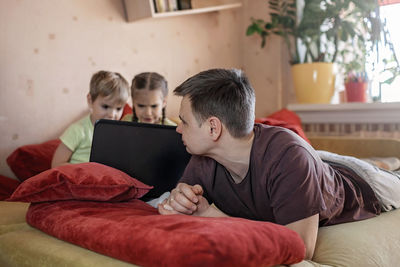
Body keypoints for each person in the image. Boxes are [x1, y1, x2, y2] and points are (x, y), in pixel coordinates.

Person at [158, 68, 400, 260]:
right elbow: (174, 205)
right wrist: (179, 199)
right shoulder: (204, 157)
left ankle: (388, 165)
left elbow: (301, 248)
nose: (178, 128)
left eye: (184, 121)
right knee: (316, 158)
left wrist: (211, 215)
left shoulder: (289, 158)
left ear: (213, 127)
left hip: (361, 181)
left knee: (387, 174)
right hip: (312, 161)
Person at [51, 70, 130, 168]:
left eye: (118, 108)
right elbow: (56, 165)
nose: (112, 114)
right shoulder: (78, 130)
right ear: (90, 100)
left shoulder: (119, 132)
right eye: (105, 106)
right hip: (78, 179)